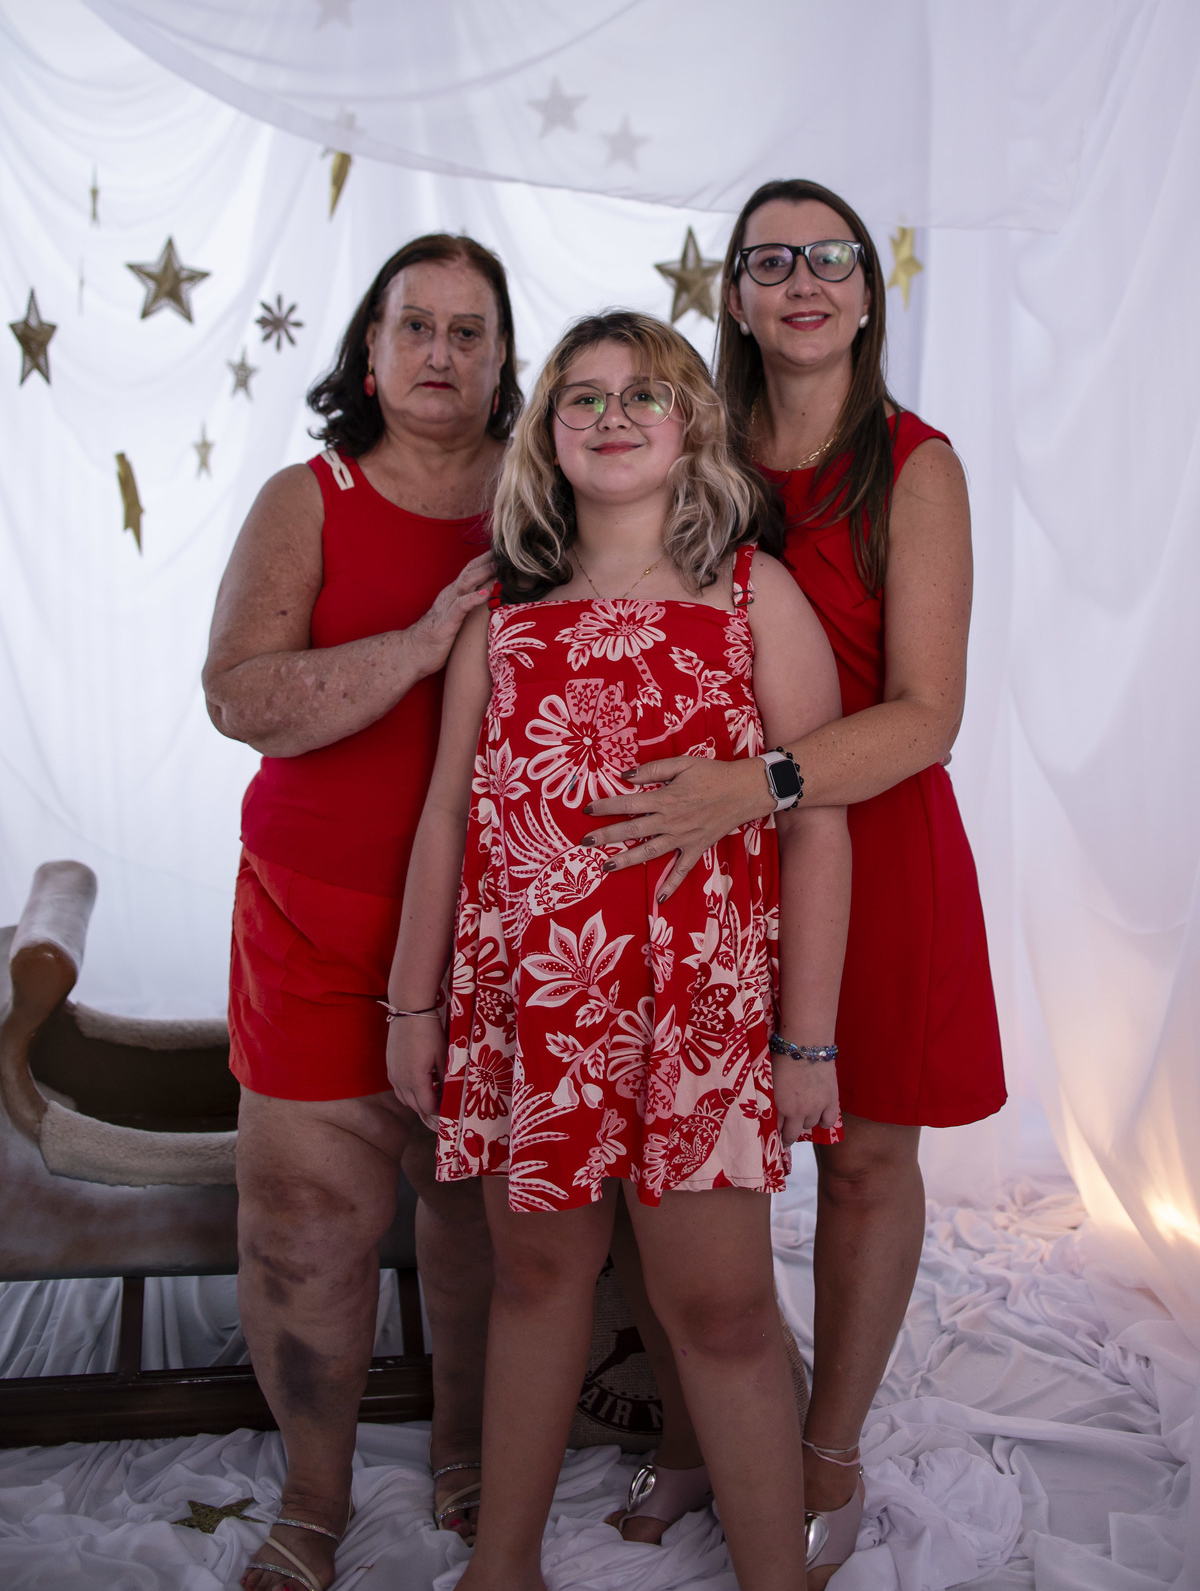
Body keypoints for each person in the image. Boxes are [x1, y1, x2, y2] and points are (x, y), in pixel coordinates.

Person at [386, 310, 851, 1591]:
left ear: (693, 427)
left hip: (698, 1009)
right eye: (580, 397)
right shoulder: (504, 614)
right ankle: (502, 1568)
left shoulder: (753, 594)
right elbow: (446, 816)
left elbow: (819, 823)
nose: (611, 416)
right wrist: (414, 1008)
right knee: (537, 1277)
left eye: (643, 393)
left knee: (723, 1308)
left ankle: (773, 1575)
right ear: (545, 436)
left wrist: (807, 1040)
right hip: (534, 1008)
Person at [586, 181, 1007, 1585]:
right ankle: (705, 1420)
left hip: (870, 839)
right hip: (695, 855)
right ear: (738, 297)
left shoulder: (916, 467)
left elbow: (930, 713)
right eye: (773, 261)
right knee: (683, 1160)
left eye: (833, 257)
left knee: (866, 1158)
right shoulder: (690, 442)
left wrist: (758, 784)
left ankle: (826, 1443)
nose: (806, 281)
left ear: (870, 293)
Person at [202, 233, 520, 1591]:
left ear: (504, 358)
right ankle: (314, 1498)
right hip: (313, 920)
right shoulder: (308, 497)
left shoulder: (551, 492)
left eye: (469, 330)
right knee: (301, 1225)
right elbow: (238, 695)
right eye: (415, 326)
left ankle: (469, 1451)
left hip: (498, 929)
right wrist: (419, 645)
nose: (441, 352)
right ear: (371, 354)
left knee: (479, 1213)